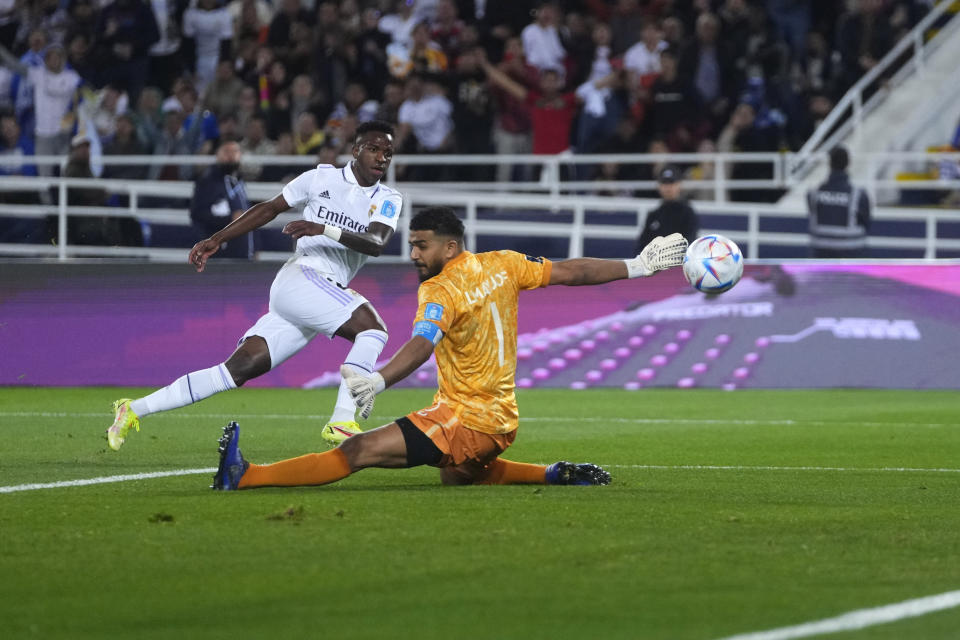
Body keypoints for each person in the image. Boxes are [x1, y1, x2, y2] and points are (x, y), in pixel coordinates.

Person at [210, 207, 689, 491]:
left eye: (422, 246)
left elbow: (422, 342)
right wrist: (638, 265)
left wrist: (380, 379)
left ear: (451, 247)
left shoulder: (439, 291)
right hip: (500, 419)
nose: (414, 254)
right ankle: (554, 474)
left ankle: (246, 476)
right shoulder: (506, 264)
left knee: (358, 451)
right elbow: (571, 271)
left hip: (465, 417)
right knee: (458, 476)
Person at [106, 120, 404, 452]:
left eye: (388, 153)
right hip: (303, 277)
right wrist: (218, 238)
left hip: (314, 294)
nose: (381, 158)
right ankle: (342, 419)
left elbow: (376, 242)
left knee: (236, 370)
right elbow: (269, 209)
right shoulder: (320, 178)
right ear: (356, 150)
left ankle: (133, 408)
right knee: (373, 331)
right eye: (374, 149)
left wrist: (323, 228)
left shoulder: (388, 197)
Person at [189, 141, 252, 259]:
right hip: (218, 252)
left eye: (235, 151)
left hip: (243, 252)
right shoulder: (207, 181)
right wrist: (230, 220)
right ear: (217, 155)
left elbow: (248, 217)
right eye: (226, 151)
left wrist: (254, 248)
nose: (231, 155)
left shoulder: (238, 181)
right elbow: (197, 214)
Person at [806, 146, 871, 258]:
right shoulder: (859, 195)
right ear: (848, 163)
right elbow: (866, 223)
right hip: (851, 258)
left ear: (830, 164)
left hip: (821, 259)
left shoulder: (813, 194)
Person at [636, 166, 700, 254]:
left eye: (671, 183)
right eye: (665, 183)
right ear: (659, 186)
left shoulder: (688, 213)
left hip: (679, 265)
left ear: (679, 184)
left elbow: (690, 243)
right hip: (653, 265)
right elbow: (641, 245)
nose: (668, 187)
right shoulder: (653, 215)